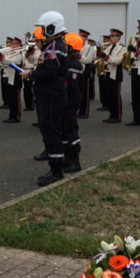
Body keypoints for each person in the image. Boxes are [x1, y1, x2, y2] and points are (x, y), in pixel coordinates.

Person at [20, 11, 68, 186]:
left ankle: (56, 171)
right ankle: (54, 166)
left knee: (52, 132)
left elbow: (49, 72)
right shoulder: (53, 46)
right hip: (49, 95)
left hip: (51, 96)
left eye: (43, 27)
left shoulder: (54, 47)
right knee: (49, 131)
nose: (41, 31)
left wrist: (31, 74)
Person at [62, 33, 84, 173]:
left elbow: (71, 84)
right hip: (64, 101)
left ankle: (75, 161)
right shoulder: (67, 61)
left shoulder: (75, 64)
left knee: (71, 132)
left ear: (71, 47)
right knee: (64, 132)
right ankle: (67, 158)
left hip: (71, 102)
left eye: (66, 44)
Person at [101, 29, 125, 123]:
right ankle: (111, 114)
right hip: (107, 72)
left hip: (116, 73)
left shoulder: (122, 48)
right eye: (110, 36)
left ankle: (117, 116)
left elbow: (118, 60)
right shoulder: (108, 47)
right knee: (109, 95)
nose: (110, 38)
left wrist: (106, 57)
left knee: (115, 95)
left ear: (118, 37)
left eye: (113, 36)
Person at [0, 37, 24, 123]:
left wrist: (2, 57)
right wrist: (1, 57)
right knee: (10, 98)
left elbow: (10, 62)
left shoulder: (19, 54)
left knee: (15, 99)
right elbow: (3, 62)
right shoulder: (10, 53)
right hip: (8, 77)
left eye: (14, 44)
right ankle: (11, 116)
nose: (12, 45)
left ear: (19, 45)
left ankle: (16, 116)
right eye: (12, 43)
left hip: (15, 78)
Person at [77, 29, 95, 119]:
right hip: (77, 71)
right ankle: (79, 109)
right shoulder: (77, 46)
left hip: (85, 71)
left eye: (81, 36)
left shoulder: (89, 47)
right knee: (78, 92)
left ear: (85, 38)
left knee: (85, 93)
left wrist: (79, 56)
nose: (79, 38)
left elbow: (88, 60)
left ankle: (85, 112)